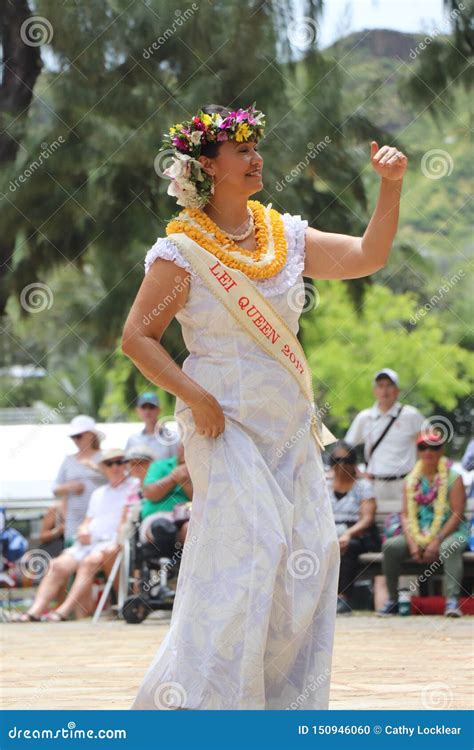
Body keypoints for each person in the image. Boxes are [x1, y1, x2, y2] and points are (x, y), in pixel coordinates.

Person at [122, 103, 408, 710]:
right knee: (247, 551)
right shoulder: (181, 252)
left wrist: (392, 187)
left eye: (257, 147)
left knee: (311, 554)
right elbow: (137, 338)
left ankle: (277, 707)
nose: (256, 158)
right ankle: (205, 708)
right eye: (242, 150)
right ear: (207, 165)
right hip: (220, 421)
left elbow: (367, 256)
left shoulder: (287, 237)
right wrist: (194, 397)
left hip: (287, 424)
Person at [16, 449, 134, 622]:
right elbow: (88, 519)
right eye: (110, 463)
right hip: (88, 543)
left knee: (89, 562)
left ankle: (63, 612)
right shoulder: (99, 493)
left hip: (112, 542)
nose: (115, 467)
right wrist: (82, 530)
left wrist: (118, 539)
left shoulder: (133, 487)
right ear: (104, 467)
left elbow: (129, 520)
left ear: (126, 464)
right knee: (56, 565)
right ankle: (35, 611)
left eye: (119, 462)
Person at [378, 432, 469, 617]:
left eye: (434, 447)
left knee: (449, 547)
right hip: (417, 533)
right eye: (423, 447)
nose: (428, 451)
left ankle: (452, 601)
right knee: (391, 546)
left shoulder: (453, 478)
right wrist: (412, 544)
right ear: (418, 451)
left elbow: (457, 513)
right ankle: (393, 601)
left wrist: (437, 540)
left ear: (441, 450)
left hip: (450, 532)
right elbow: (405, 515)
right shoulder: (410, 479)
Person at [345, 369, 424, 516]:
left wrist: (421, 472)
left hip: (406, 482)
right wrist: (358, 473)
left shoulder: (411, 415)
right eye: (380, 386)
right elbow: (346, 449)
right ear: (375, 390)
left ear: (397, 390)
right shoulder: (365, 417)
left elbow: (429, 443)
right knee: (375, 523)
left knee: (408, 521)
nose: (384, 390)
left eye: (389, 385)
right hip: (375, 484)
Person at [326, 441, 381, 615]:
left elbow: (367, 519)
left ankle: (343, 597)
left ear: (354, 463)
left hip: (357, 533)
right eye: (337, 460)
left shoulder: (363, 486)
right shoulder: (322, 485)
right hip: (329, 531)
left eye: (347, 460)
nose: (342, 465)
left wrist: (348, 534)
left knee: (347, 547)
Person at [51, 415, 107, 547]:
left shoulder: (107, 457)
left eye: (79, 435)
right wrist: (69, 487)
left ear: (91, 435)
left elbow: (120, 480)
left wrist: (95, 468)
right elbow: (55, 489)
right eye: (73, 436)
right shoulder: (68, 460)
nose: (75, 440)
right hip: (74, 526)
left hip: (101, 523)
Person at [139, 442, 192, 550]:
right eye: (184, 446)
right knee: (161, 527)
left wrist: (185, 483)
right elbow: (149, 493)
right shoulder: (159, 465)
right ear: (179, 448)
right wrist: (173, 478)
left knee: (190, 530)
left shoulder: (202, 470)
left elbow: (202, 501)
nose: (187, 451)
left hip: (188, 517)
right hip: (158, 518)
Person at [125, 392, 179, 459]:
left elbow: (178, 463)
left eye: (151, 407)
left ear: (159, 410)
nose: (147, 411)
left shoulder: (171, 438)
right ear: (137, 411)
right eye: (143, 407)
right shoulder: (132, 439)